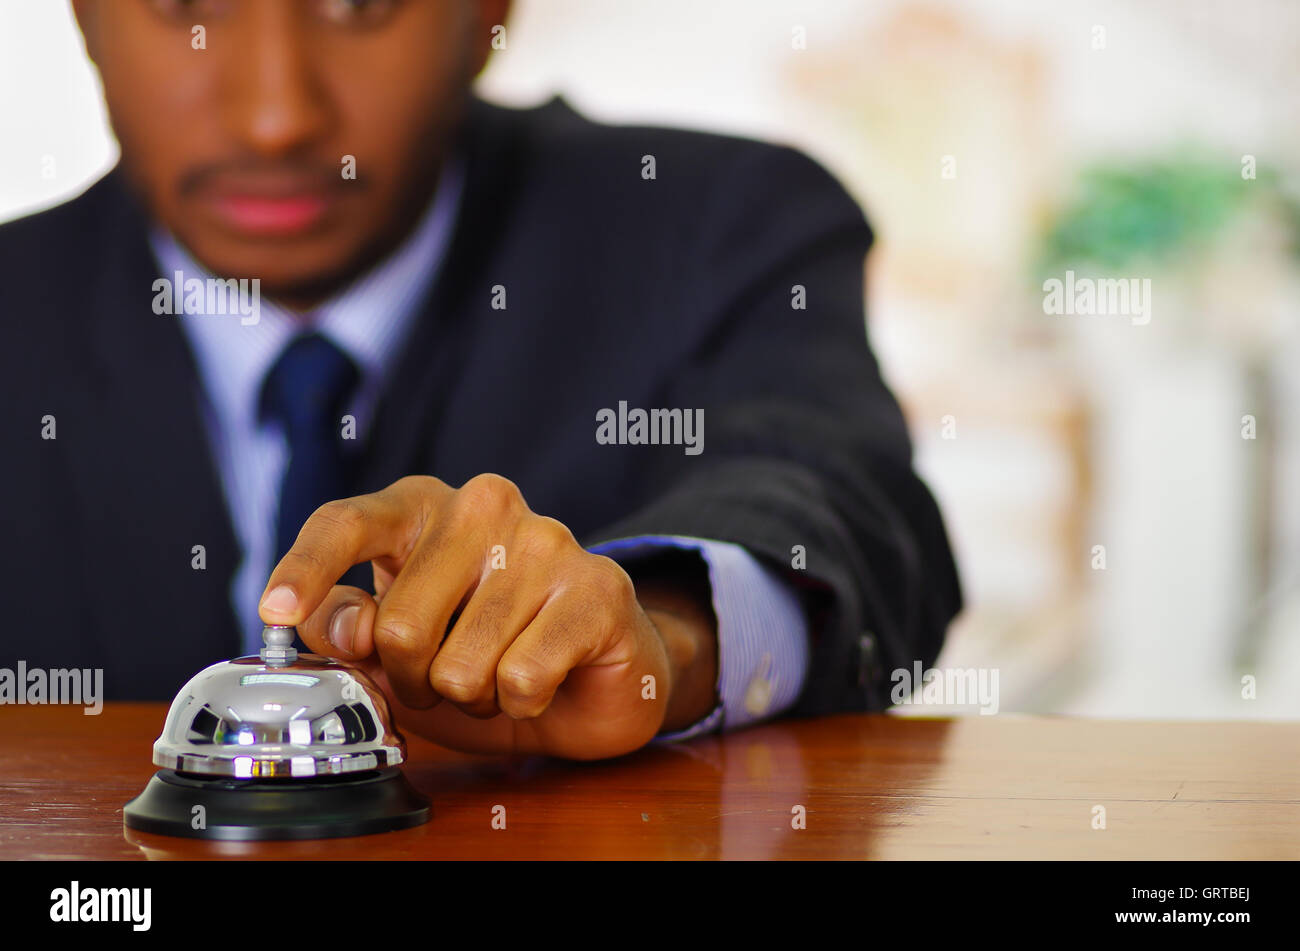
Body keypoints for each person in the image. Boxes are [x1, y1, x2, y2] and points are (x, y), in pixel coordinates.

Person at [0, 0, 961, 760]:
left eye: (358, 3)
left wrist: (662, 640)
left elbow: (843, 501)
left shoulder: (726, 231)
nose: (277, 117)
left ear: (487, 15)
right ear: (83, 16)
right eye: (184, 5)